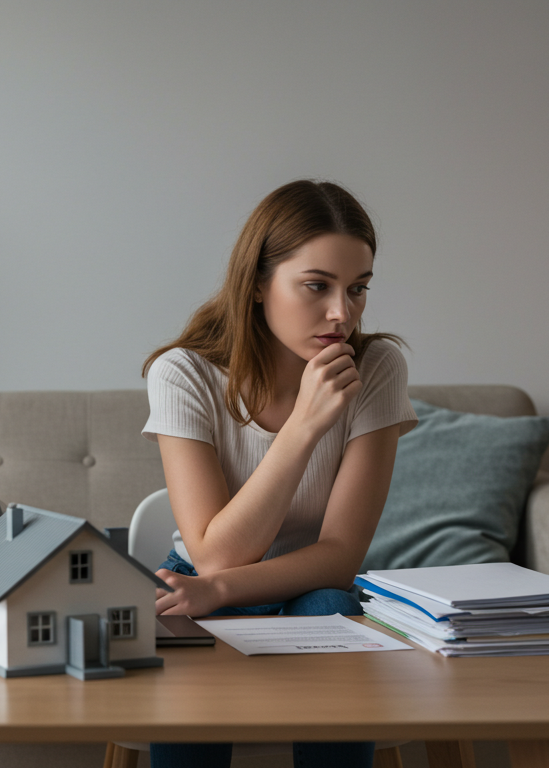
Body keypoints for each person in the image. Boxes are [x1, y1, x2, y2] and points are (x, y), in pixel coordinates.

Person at [141, 180, 417, 768]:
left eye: (358, 289)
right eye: (316, 286)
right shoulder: (183, 373)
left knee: (330, 609)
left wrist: (218, 589)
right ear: (259, 283)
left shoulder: (376, 367)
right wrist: (302, 430)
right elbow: (216, 556)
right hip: (202, 578)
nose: (343, 313)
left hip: (310, 583)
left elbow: (341, 554)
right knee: (182, 651)